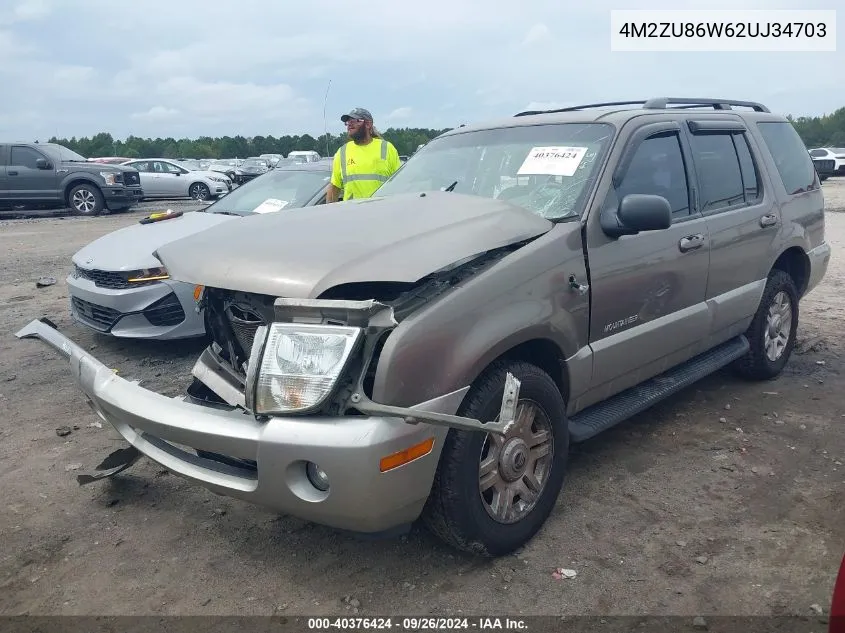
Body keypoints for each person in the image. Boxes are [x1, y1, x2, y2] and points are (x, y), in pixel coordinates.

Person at [327, 108, 402, 202]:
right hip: (351, 213)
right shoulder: (342, 151)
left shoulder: (387, 148)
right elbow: (334, 187)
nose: (349, 124)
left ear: (368, 124)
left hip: (382, 211)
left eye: (354, 121)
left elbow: (399, 183)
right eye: (347, 122)